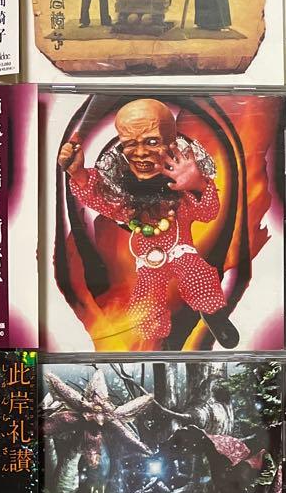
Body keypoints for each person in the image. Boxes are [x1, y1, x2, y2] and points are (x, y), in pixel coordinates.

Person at [56, 98, 240, 349]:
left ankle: (214, 315)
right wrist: (78, 173)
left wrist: (197, 185)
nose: (141, 152)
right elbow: (101, 199)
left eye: (152, 142)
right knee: (145, 303)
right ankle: (159, 345)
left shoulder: (181, 190)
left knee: (197, 275)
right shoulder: (124, 198)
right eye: (130, 143)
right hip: (147, 262)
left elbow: (208, 212)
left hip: (181, 251)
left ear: (171, 143)